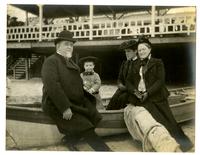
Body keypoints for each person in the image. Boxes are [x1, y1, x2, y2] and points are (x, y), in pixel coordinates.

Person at [41, 30, 111, 151]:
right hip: (57, 103)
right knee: (85, 126)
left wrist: (89, 99)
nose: (69, 47)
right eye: (66, 44)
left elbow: (77, 85)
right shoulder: (51, 61)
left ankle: (70, 140)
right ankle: (105, 151)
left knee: (96, 117)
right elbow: (52, 86)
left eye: (71, 45)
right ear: (58, 46)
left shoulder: (72, 63)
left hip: (75, 101)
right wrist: (65, 107)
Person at [125, 36, 193, 152]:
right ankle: (163, 144)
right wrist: (135, 92)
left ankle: (184, 145)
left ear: (150, 49)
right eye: (139, 50)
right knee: (155, 121)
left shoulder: (157, 62)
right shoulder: (134, 64)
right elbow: (128, 81)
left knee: (168, 120)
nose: (141, 52)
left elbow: (160, 81)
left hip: (157, 96)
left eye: (144, 49)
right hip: (142, 98)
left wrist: (148, 92)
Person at [106, 39, 137, 110]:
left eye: (129, 51)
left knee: (122, 98)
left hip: (133, 91)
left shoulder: (140, 64)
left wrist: (128, 89)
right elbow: (119, 79)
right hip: (123, 90)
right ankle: (109, 115)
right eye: (125, 52)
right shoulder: (124, 64)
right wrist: (120, 85)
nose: (126, 53)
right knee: (114, 98)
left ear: (135, 51)